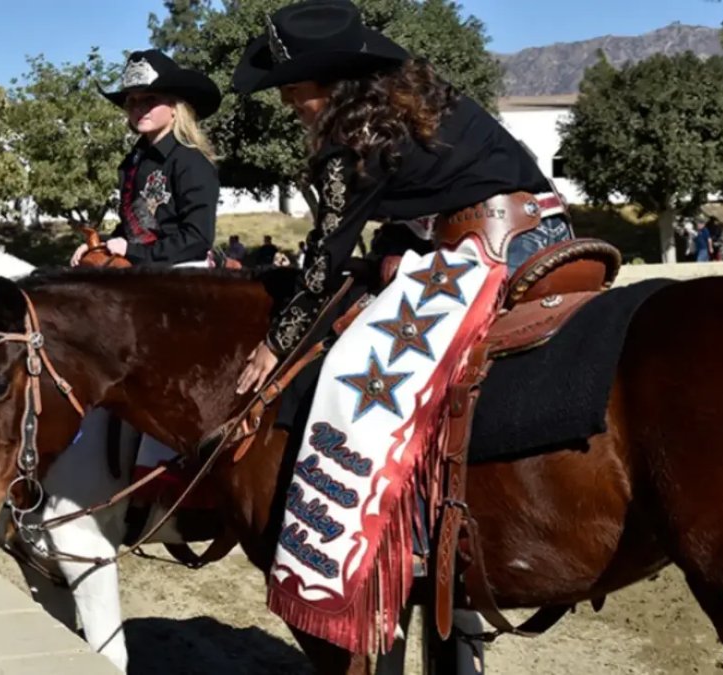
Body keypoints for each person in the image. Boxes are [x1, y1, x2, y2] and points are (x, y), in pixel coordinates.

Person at [231, 0, 573, 663]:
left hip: (489, 249)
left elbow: (324, 259)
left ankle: (396, 533)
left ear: (326, 85)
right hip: (539, 224)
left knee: (359, 375)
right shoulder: (414, 98)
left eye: (292, 88)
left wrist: (275, 345)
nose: (287, 102)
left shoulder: (348, 141)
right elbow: (421, 202)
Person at [70, 49, 222, 267]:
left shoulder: (192, 161)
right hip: (142, 269)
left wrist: (133, 252)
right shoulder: (133, 161)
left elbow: (197, 239)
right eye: (132, 101)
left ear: (174, 107)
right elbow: (133, 229)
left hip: (183, 271)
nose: (139, 108)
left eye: (150, 99)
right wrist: (100, 245)